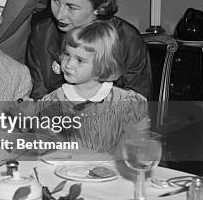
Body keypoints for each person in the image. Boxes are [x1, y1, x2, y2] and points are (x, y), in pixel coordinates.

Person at [26, 0, 151, 99]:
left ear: (100, 7)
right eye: (55, 0)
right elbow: (39, 99)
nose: (59, 15)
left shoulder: (128, 40)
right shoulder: (42, 33)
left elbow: (136, 108)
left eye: (72, 7)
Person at [36, 22, 148, 152]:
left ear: (102, 65)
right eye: (67, 55)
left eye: (79, 60)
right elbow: (45, 148)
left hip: (112, 170)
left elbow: (139, 149)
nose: (68, 64)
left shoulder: (126, 103)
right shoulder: (53, 102)